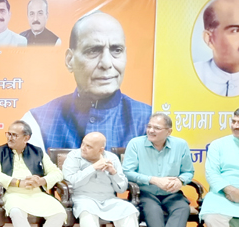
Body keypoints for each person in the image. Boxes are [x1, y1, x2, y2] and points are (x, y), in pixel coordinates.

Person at [21, 11, 151, 151]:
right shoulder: (36, 123)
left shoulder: (149, 120)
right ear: (70, 60)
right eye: (93, 51)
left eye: (117, 50)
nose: (106, 63)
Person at [62, 132, 151, 227]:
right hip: (83, 198)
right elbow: (71, 182)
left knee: (129, 209)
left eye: (89, 146)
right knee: (86, 211)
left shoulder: (112, 158)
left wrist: (113, 172)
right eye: (83, 143)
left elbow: (121, 188)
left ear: (100, 150)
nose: (83, 148)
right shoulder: (73, 156)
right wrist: (93, 168)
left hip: (109, 199)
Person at [122, 113, 196, 227]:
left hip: (171, 193)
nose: (151, 130)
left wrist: (180, 181)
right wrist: (153, 180)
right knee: (153, 210)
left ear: (169, 131)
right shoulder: (136, 144)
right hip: (146, 192)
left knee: (182, 208)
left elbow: (188, 172)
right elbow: (127, 172)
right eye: (149, 126)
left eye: (156, 128)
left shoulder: (180, 145)